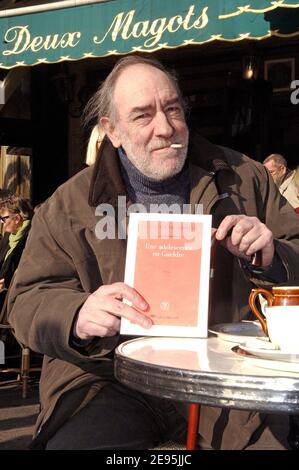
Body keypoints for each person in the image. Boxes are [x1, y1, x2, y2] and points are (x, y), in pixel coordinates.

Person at [7, 56, 299, 450]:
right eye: (143, 116)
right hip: (105, 377)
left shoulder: (245, 178)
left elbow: (294, 251)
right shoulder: (67, 205)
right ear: (112, 131)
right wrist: (76, 314)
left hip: (223, 373)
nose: (165, 128)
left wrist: (273, 255)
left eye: (173, 109)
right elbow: (25, 299)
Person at [0, 196, 32, 292]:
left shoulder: (31, 238)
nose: (1, 222)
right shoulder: (8, 236)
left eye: (3, 218)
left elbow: (27, 274)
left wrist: (6, 283)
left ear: (17, 219)